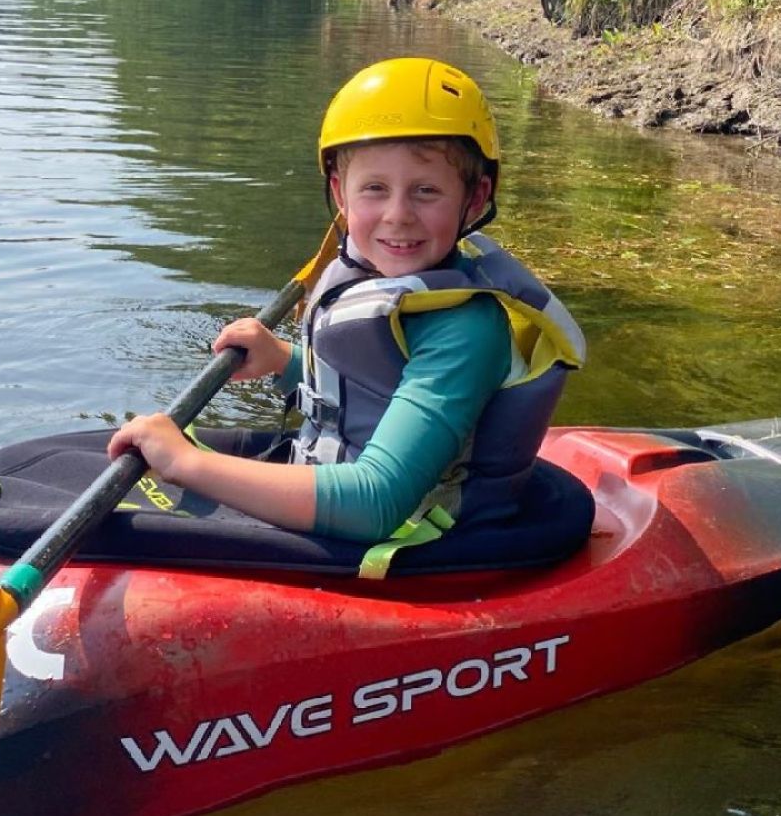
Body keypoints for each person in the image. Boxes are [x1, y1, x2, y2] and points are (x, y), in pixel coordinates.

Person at [108, 57, 585, 555]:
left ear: (474, 197)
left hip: (412, 541)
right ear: (341, 192)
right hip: (340, 484)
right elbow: (367, 390)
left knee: (152, 468)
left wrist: (188, 464)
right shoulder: (375, 274)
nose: (398, 216)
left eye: (426, 191)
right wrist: (285, 363)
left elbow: (375, 503)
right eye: (375, 189)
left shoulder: (467, 331)